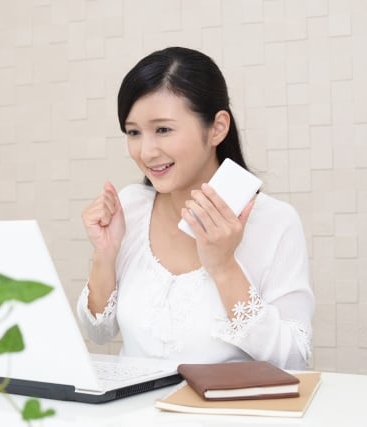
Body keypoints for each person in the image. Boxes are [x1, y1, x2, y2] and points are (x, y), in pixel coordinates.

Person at [77, 47, 314, 370]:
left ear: (217, 128)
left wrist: (224, 266)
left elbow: (294, 360)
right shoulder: (130, 206)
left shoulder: (275, 222)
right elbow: (98, 332)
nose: (146, 152)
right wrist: (104, 254)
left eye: (163, 129)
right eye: (133, 132)